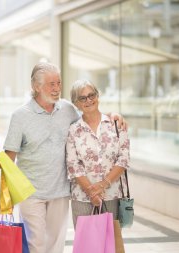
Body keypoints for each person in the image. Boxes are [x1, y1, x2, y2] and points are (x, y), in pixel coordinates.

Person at [3, 62, 126, 253]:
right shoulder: (20, 116)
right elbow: (9, 156)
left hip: (60, 191)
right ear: (36, 87)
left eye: (58, 83)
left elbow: (90, 115)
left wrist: (113, 115)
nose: (56, 88)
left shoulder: (67, 109)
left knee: (55, 246)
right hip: (30, 193)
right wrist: (5, 195)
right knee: (37, 244)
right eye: (51, 84)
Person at [66, 79, 130, 229]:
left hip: (113, 194)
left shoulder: (116, 125)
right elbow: (73, 165)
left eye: (92, 95)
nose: (89, 100)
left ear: (97, 96)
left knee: (110, 245)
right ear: (76, 103)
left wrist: (103, 185)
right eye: (83, 98)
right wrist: (91, 192)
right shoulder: (73, 130)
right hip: (82, 197)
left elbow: (124, 159)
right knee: (87, 245)